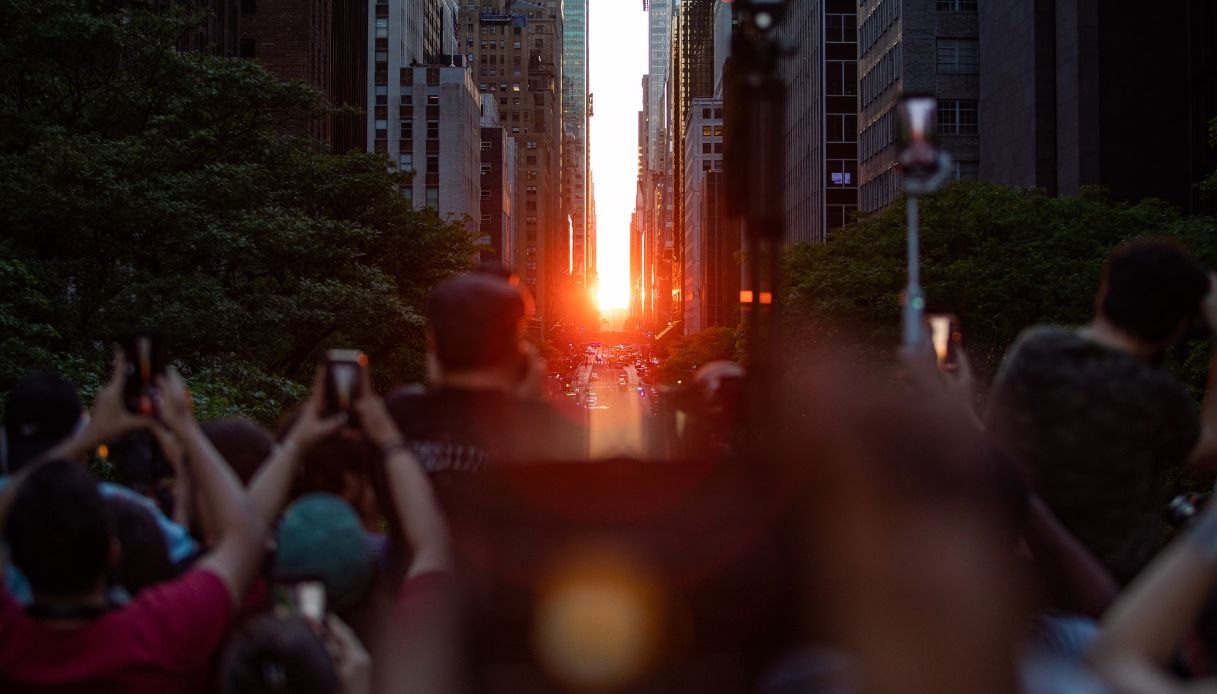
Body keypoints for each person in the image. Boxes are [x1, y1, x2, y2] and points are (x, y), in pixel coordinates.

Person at [0, 359, 266, 692]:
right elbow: (245, 538)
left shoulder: (8, 642)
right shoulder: (156, 634)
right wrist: (185, 428)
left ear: (15, 560)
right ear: (113, 553)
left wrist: (91, 436)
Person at [987, 239, 1216, 585]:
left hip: (1019, 584)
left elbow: (993, 452)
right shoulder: (1155, 392)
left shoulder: (1036, 351)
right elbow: (1204, 458)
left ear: (1104, 294)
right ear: (1176, 326)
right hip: (1115, 597)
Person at [386, 273, 588, 481]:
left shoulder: (398, 416)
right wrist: (532, 407)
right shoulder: (557, 428)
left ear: (433, 345)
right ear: (520, 355)